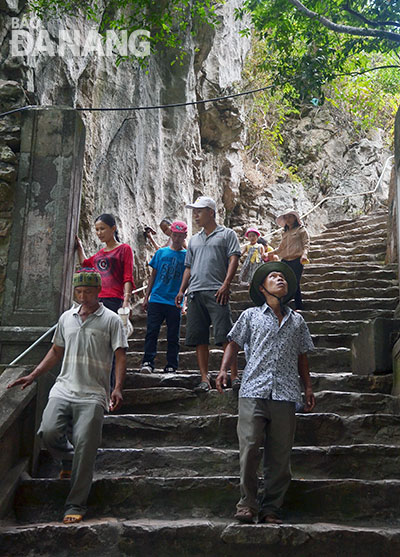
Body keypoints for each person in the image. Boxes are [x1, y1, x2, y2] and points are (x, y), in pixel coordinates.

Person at [8, 269, 128, 524]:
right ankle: (67, 458)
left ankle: (75, 503)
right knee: (48, 431)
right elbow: (55, 350)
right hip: (63, 388)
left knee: (86, 445)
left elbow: (120, 356)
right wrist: (34, 375)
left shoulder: (111, 320)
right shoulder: (66, 318)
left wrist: (117, 387)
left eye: (88, 292)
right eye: (79, 291)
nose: (83, 296)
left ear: (98, 292)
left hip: (94, 394)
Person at [216, 262, 315, 524]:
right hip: (253, 390)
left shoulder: (298, 320)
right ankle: (247, 503)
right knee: (249, 448)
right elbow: (234, 343)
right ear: (262, 288)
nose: (280, 279)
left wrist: (307, 387)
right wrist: (224, 370)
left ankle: (272, 507)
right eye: (274, 276)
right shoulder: (250, 315)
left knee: (280, 455)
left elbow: (302, 356)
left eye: (283, 277)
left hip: (286, 394)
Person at [175, 196, 241, 392]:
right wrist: (182, 290)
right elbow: (188, 267)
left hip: (217, 291)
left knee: (226, 335)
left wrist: (226, 284)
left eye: (199, 211)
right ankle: (205, 378)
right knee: (198, 337)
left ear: (211, 212)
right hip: (195, 292)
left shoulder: (227, 234)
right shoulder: (194, 240)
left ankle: (234, 375)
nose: (195, 215)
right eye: (194, 211)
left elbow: (234, 259)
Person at [141, 221, 188, 373]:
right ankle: (148, 362)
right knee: (151, 331)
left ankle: (171, 365)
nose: (176, 238)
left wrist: (185, 301)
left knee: (173, 335)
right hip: (157, 298)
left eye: (180, 236)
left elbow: (188, 280)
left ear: (185, 236)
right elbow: (153, 276)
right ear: (171, 234)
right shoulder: (161, 253)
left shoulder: (187, 256)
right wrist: (146, 296)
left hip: (174, 301)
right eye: (174, 235)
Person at [75, 213, 135, 314]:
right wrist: (80, 247)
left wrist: (127, 301)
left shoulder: (124, 249)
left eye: (102, 229)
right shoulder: (100, 254)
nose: (99, 233)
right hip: (96, 299)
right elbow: (85, 263)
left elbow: (127, 277)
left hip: (114, 299)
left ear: (113, 228)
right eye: (97, 230)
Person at [268, 210, 310, 310]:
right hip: (285, 260)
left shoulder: (301, 230)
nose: (288, 219)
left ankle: (298, 306)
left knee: (295, 282)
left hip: (297, 260)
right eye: (286, 217)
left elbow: (306, 244)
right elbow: (281, 248)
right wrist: (271, 253)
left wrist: (304, 255)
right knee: (281, 281)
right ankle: (280, 304)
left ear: (295, 218)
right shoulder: (284, 233)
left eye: (290, 216)